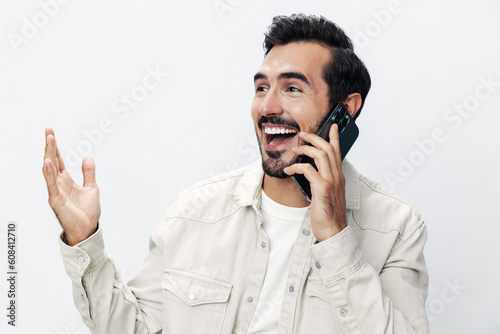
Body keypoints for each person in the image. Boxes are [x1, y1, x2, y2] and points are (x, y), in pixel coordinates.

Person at [42, 14, 429, 334]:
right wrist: (83, 238)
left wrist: (335, 237)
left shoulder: (396, 228)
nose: (268, 106)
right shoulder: (195, 212)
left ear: (346, 109)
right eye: (262, 88)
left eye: (293, 88)